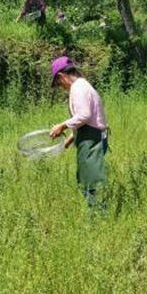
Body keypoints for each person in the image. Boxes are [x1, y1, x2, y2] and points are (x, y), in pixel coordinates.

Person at [48, 56, 109, 209]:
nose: (60, 87)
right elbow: (89, 120)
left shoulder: (78, 88)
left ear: (62, 76)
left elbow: (84, 116)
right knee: (88, 182)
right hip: (93, 137)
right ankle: (98, 214)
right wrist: (69, 140)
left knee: (88, 185)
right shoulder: (83, 85)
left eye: (57, 83)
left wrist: (62, 126)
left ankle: (99, 216)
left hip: (92, 140)